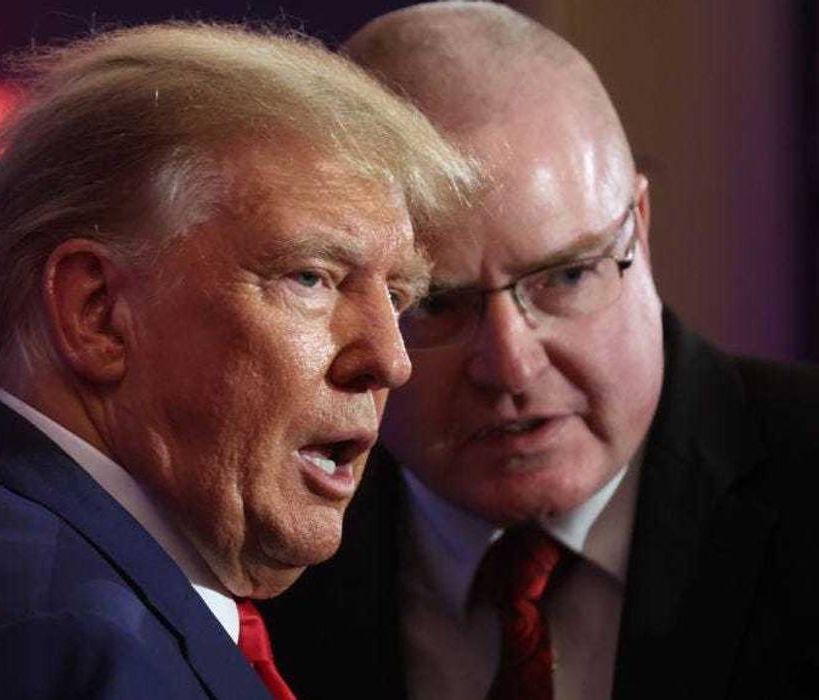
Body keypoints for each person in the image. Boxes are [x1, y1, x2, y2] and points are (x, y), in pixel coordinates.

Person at [0, 22, 474, 700]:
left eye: (399, 294)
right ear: (95, 313)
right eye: (310, 279)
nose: (388, 359)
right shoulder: (63, 641)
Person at [261, 3, 819, 699]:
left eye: (565, 276)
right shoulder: (262, 543)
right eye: (434, 303)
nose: (510, 366)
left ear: (637, 230)